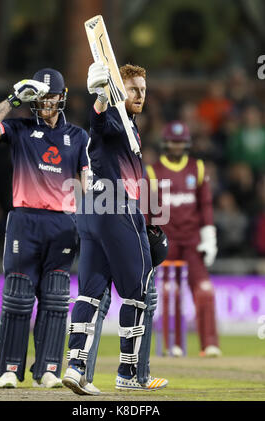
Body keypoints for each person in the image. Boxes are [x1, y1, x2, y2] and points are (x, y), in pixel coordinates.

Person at [0, 68, 89, 388]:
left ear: (63, 97)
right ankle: (10, 369)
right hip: (25, 221)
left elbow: (87, 184)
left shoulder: (78, 137)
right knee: (18, 298)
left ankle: (49, 370)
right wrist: (13, 99)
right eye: (41, 97)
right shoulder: (20, 128)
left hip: (63, 223)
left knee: (55, 299)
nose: (48, 103)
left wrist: (91, 221)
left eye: (53, 96)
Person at [62, 62, 168, 395]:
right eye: (134, 89)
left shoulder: (130, 125)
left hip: (91, 211)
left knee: (90, 292)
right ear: (121, 90)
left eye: (143, 89)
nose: (141, 95)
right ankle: (129, 373)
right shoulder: (114, 118)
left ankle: (76, 367)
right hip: (114, 207)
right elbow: (97, 122)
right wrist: (100, 95)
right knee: (138, 293)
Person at [146, 121, 221, 357]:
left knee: (205, 291)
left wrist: (209, 238)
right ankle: (173, 344)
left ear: (186, 143)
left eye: (180, 142)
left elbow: (205, 206)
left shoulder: (197, 168)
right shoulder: (153, 172)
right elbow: (147, 212)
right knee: (170, 292)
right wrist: (149, 243)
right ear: (165, 143)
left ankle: (209, 344)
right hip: (167, 243)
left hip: (192, 241)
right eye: (172, 142)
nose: (176, 146)